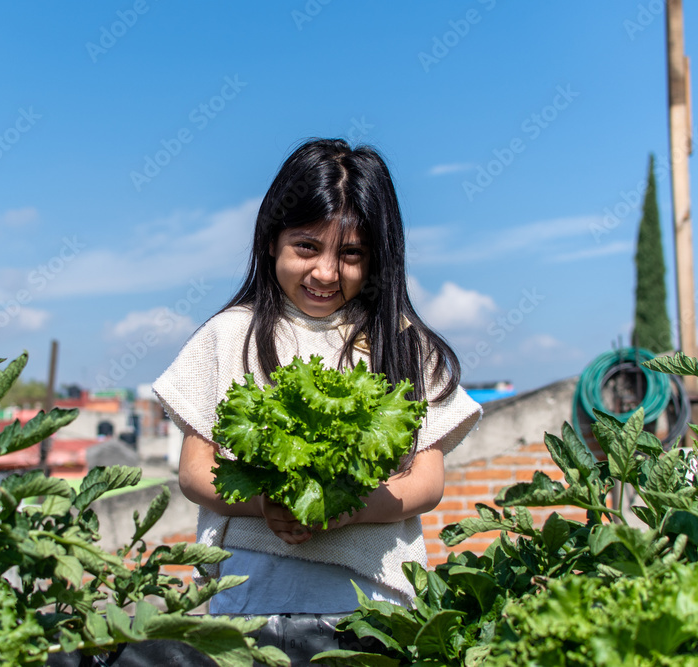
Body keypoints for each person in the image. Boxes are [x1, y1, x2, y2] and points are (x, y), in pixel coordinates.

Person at [152, 138, 482, 614]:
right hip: (249, 592)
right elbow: (195, 472)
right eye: (306, 246)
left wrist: (347, 508)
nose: (326, 273)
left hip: (370, 599)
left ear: (378, 259)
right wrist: (267, 503)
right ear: (271, 240)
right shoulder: (227, 336)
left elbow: (427, 484)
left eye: (351, 255)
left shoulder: (403, 342)